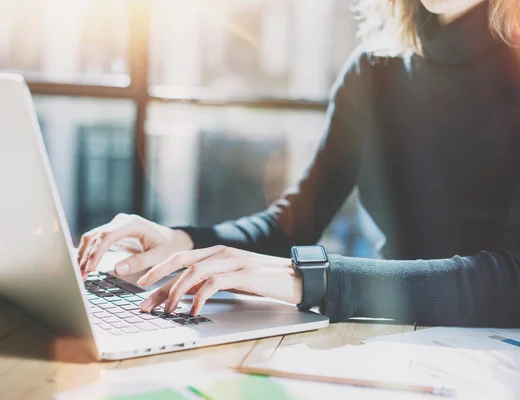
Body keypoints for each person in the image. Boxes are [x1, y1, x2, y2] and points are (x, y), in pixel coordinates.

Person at [78, 0, 520, 327]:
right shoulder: (375, 69)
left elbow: (512, 282)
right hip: (391, 342)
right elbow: (294, 224)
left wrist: (306, 279)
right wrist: (181, 241)